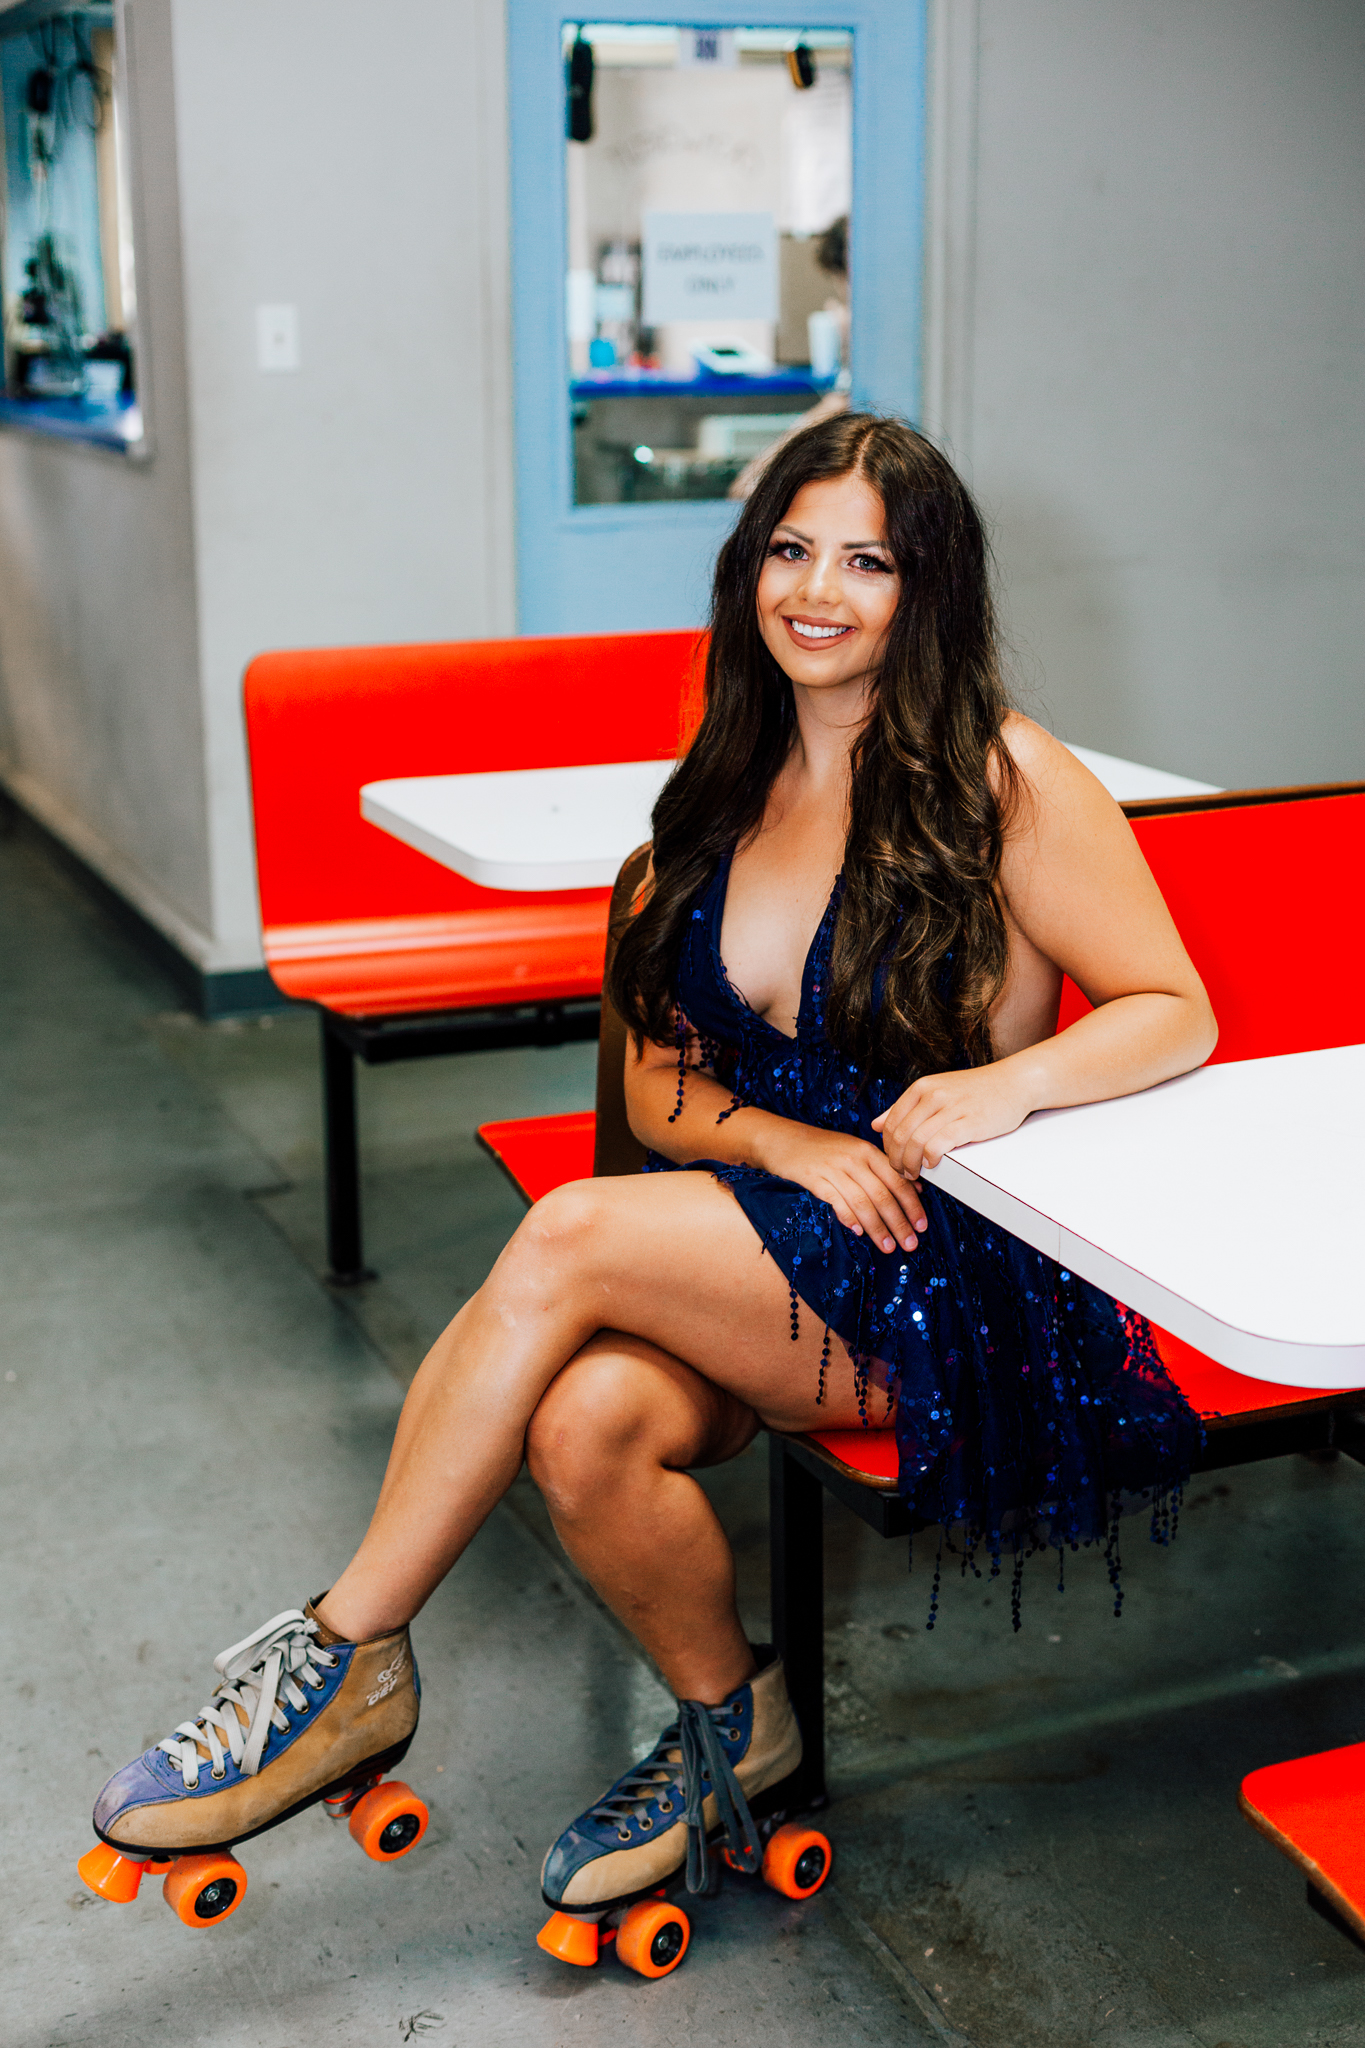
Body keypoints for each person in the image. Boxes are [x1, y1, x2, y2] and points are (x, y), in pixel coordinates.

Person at [85, 413, 1215, 1927]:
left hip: (943, 1259)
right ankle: (736, 1725)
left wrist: (1004, 1085)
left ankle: (343, 1660)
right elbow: (660, 1087)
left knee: (565, 1236)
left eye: (866, 560)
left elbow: (1170, 1010)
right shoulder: (721, 791)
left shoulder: (1000, 777)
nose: (817, 587)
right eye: (790, 548)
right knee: (588, 1418)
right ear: (749, 567)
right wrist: (784, 1140)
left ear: (925, 588)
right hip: (776, 1226)